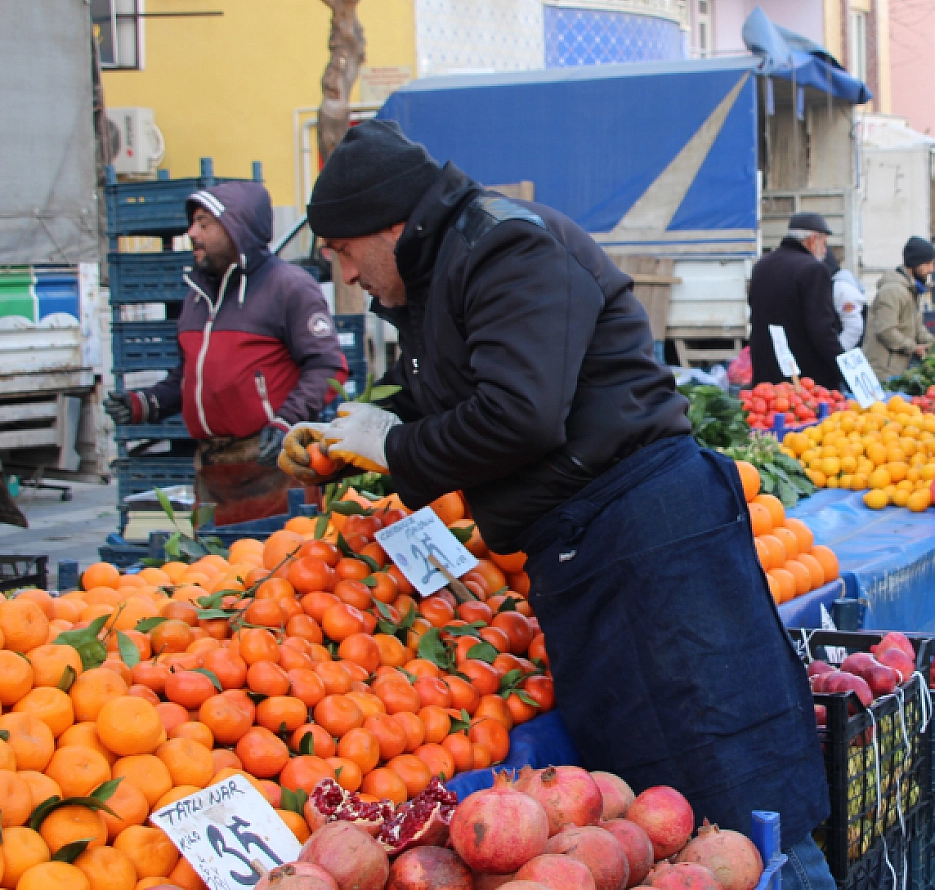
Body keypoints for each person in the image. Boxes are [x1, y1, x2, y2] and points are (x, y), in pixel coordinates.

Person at [275, 122, 835, 889]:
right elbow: (460, 393)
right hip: (591, 548)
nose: (343, 275)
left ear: (391, 226)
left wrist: (396, 446)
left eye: (342, 250)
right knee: (652, 807)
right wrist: (357, 436)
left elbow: (519, 414)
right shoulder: (446, 271)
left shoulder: (505, 249)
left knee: (731, 783)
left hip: (649, 543)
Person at [105, 182, 345, 525]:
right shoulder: (197, 295)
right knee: (217, 572)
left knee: (277, 568)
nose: (192, 233)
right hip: (212, 471)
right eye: (193, 224)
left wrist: (285, 422)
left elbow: (328, 367)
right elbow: (189, 375)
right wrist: (143, 403)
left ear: (237, 228)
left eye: (204, 224)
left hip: (273, 466)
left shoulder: (289, 287)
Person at [748, 213, 845, 390]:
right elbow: (821, 330)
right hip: (805, 381)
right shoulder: (814, 269)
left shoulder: (762, 265)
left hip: (767, 375)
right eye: (824, 243)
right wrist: (845, 369)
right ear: (813, 239)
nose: (825, 250)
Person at [863, 237, 935, 382]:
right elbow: (885, 330)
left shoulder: (911, 290)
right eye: (928, 263)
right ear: (914, 263)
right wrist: (914, 348)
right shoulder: (893, 290)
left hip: (897, 369)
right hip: (883, 371)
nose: (932, 269)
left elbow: (916, 327)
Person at [824, 250, 866, 352]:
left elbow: (854, 328)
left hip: (846, 353)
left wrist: (836, 353)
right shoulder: (835, 285)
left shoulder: (842, 288)